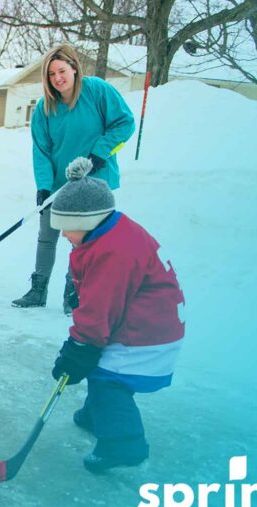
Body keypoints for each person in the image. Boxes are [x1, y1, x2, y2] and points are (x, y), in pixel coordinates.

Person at [48, 157, 185, 473]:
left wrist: (78, 348)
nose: (64, 235)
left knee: (108, 379)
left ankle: (125, 444)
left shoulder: (113, 252)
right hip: (144, 324)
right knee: (102, 369)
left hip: (146, 335)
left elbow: (99, 311)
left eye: (67, 228)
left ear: (88, 221)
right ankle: (98, 415)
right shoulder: (110, 233)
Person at [13, 43, 135, 314]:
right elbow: (41, 150)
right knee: (47, 235)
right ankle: (38, 290)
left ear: (74, 69)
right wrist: (44, 186)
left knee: (82, 238)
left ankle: (74, 293)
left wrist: (101, 152)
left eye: (62, 70)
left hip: (94, 178)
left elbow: (125, 123)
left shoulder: (97, 91)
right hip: (58, 183)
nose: (58, 78)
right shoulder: (45, 108)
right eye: (51, 74)